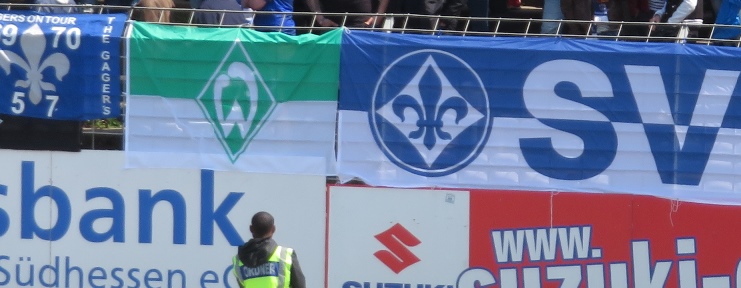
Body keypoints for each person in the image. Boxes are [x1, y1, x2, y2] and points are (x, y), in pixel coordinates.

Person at [232, 211, 306, 288]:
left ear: (251, 229)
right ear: (273, 229)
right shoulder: (286, 254)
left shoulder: (238, 260)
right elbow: (300, 285)